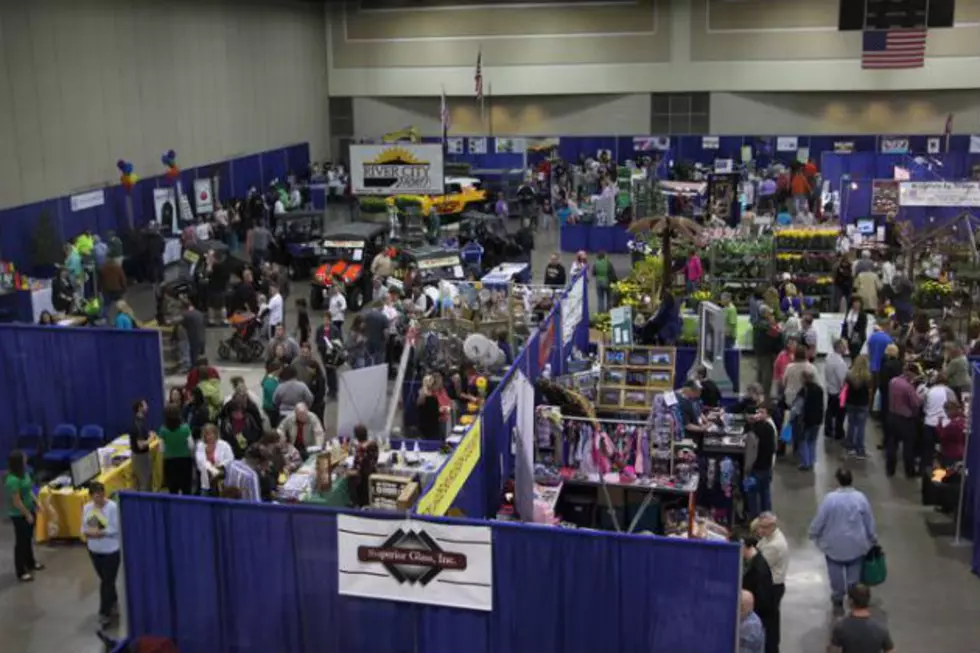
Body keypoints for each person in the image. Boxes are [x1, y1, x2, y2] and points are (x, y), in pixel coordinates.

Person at [808, 468, 877, 610]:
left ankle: (838, 599)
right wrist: (872, 537)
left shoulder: (830, 499)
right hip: (856, 545)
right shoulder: (860, 498)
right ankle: (854, 598)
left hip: (834, 546)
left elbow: (821, 519)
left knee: (836, 576)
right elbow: (868, 520)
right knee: (854, 577)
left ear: (837, 480)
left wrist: (813, 533)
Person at [752, 512, 788, 653]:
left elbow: (757, 564)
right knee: (771, 620)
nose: (760, 530)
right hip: (771, 585)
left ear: (773, 526)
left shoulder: (775, 545)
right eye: (759, 526)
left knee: (769, 622)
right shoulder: (768, 537)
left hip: (772, 588)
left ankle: (771, 649)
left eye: (764, 527)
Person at [6, 450, 43, 582]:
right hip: (19, 515)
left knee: (28, 538)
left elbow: (29, 490)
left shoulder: (25, 473)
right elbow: (16, 501)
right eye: (24, 457)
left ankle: (31, 563)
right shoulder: (12, 480)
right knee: (21, 542)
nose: (26, 458)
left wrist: (36, 502)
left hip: (29, 509)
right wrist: (27, 514)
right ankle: (21, 571)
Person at [829, 584, 895, 653]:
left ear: (850, 601)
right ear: (868, 600)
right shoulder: (880, 628)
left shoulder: (841, 627)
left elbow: (833, 651)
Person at [739, 536, 777, 653]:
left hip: (761, 613)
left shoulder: (758, 568)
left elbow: (763, 598)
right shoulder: (758, 562)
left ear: (746, 547)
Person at [886, 363, 923, 478]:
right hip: (905, 420)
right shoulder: (908, 387)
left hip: (892, 416)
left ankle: (890, 469)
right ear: (911, 373)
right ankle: (909, 471)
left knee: (892, 445)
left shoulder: (893, 381)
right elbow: (916, 403)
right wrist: (922, 396)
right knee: (908, 447)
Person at [744, 406, 777, 518]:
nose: (757, 413)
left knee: (752, 495)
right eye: (757, 411)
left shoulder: (756, 429)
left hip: (755, 469)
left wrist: (747, 469)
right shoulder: (770, 427)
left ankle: (754, 520)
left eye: (761, 412)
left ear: (767, 415)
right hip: (766, 468)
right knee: (765, 494)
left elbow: (750, 453)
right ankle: (767, 519)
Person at [922, 372, 954, 474]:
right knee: (943, 451)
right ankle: (941, 474)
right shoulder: (949, 391)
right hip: (943, 425)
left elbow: (924, 408)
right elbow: (954, 406)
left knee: (927, 451)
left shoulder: (929, 391)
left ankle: (925, 473)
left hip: (929, 424)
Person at [158, 404, 194, 495]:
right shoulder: (186, 428)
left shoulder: (163, 430)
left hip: (170, 462)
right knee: (186, 488)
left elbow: (161, 449)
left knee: (173, 489)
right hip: (185, 461)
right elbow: (191, 446)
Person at [843, 355, 873, 459]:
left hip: (850, 403)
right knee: (861, 427)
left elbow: (844, 387)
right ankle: (860, 450)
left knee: (851, 425)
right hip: (862, 404)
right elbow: (869, 391)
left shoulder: (849, 374)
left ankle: (850, 448)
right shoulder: (868, 376)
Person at [218, 392, 264, 459]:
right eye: (236, 412)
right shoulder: (226, 424)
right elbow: (225, 438)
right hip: (236, 452)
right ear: (231, 413)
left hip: (251, 449)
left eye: (240, 411)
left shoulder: (249, 418)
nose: (239, 414)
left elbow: (256, 432)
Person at [795, 369, 824, 471]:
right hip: (817, 419)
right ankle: (812, 460)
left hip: (806, 420)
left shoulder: (803, 391)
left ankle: (805, 462)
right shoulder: (819, 389)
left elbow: (798, 407)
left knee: (803, 441)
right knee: (813, 441)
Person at [195, 423, 234, 495]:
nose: (210, 436)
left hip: (222, 475)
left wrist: (219, 465)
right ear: (204, 436)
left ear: (216, 434)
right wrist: (212, 468)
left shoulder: (224, 445)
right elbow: (200, 462)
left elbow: (230, 459)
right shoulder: (200, 445)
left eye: (212, 434)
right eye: (207, 434)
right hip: (206, 475)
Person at [753, 306, 783, 398]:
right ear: (765, 314)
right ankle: (766, 394)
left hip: (759, 351)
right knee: (767, 373)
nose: (771, 314)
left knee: (760, 372)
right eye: (769, 313)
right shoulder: (766, 326)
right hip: (766, 352)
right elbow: (777, 335)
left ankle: (757, 392)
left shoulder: (757, 323)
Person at [348, 424, 379, 507]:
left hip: (363, 481)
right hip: (372, 475)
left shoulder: (361, 450)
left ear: (356, 436)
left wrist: (346, 473)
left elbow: (357, 470)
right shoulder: (374, 445)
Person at [824, 338, 848, 442]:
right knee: (840, 412)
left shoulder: (829, 357)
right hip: (840, 392)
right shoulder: (840, 362)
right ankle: (839, 432)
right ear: (839, 347)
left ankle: (828, 429)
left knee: (830, 410)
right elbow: (842, 380)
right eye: (844, 346)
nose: (846, 347)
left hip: (830, 388)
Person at [866, 319, 893, 412]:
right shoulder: (888, 339)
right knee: (881, 390)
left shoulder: (872, 337)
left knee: (871, 389)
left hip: (872, 366)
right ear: (886, 326)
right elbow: (889, 354)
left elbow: (869, 352)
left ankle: (869, 408)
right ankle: (878, 410)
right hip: (882, 368)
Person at [130, 399, 154, 491]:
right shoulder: (138, 424)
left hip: (139, 457)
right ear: (140, 408)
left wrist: (148, 434)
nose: (147, 407)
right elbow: (140, 445)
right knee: (144, 484)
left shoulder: (140, 421)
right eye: (145, 405)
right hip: (141, 458)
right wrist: (151, 439)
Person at [937, 399, 966, 466]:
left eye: (946, 411)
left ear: (951, 410)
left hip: (951, 454)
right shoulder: (962, 420)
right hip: (960, 452)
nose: (945, 413)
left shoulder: (952, 425)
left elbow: (942, 436)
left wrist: (939, 424)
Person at [261, 360, 282, 427]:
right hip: (271, 408)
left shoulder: (274, 379)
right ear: (277, 370)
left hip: (272, 407)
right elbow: (272, 396)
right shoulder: (270, 381)